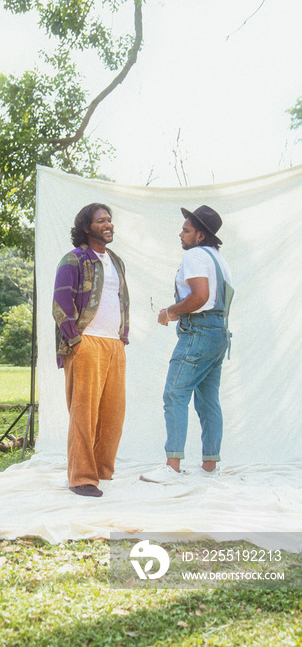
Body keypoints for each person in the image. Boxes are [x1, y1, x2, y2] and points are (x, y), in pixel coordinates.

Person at [141, 205, 234, 484]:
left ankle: (171, 467)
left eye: (186, 230)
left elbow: (200, 297)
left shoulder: (195, 255)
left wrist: (169, 312)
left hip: (198, 333)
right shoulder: (220, 259)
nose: (180, 234)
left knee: (175, 394)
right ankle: (209, 467)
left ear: (200, 236)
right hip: (219, 333)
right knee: (208, 401)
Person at [53, 203, 130, 497]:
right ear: (87, 227)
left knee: (113, 413)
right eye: (101, 221)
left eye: (110, 220)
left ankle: (100, 470)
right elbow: (61, 303)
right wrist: (75, 340)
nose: (108, 224)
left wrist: (122, 337)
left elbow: (122, 301)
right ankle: (81, 477)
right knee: (83, 414)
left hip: (114, 343)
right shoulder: (73, 260)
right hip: (86, 343)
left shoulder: (116, 261)